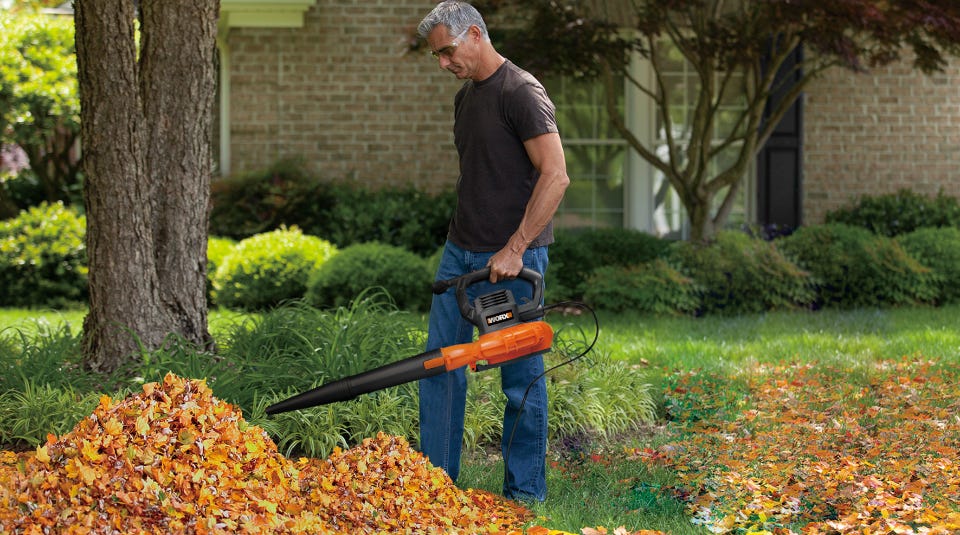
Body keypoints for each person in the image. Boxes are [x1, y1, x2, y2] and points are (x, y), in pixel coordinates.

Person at [415, 1, 570, 502]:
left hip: (508, 266)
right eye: (436, 55)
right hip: (459, 255)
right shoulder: (467, 98)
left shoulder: (521, 91)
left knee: (519, 377)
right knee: (440, 366)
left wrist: (516, 247)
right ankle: (439, 486)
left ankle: (524, 495)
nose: (442, 63)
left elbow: (556, 175)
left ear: (475, 34)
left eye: (447, 51)